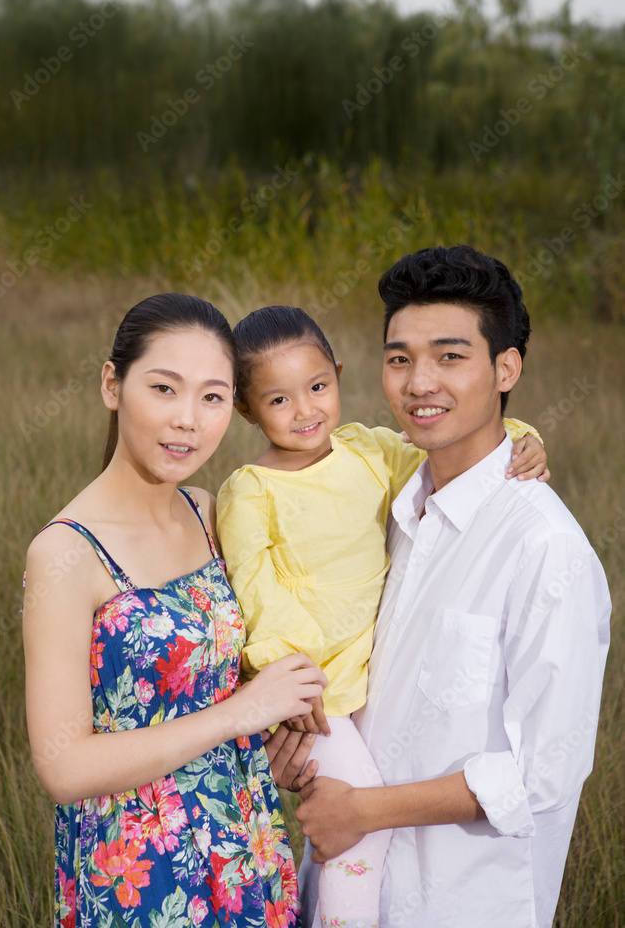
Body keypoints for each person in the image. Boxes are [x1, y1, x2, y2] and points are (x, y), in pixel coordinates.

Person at [277, 246, 612, 928]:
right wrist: (307, 758)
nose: (418, 382)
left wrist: (363, 810)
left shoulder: (545, 549)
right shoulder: (395, 510)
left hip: (461, 903)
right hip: (348, 890)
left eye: (450, 357)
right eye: (398, 358)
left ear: (505, 367)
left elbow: (541, 774)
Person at [215, 304, 549, 928]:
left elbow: (450, 454)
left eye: (318, 387)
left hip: (374, 678)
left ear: (338, 374)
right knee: (357, 826)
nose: (306, 410)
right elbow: (257, 590)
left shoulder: (367, 452)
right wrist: (294, 679)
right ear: (246, 408)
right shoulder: (251, 489)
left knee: (358, 821)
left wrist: (522, 438)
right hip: (315, 694)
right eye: (280, 400)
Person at [22, 293, 329, 928]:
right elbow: (64, 765)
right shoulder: (64, 553)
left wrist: (509, 455)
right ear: (113, 384)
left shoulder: (209, 510)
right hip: (141, 871)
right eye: (164, 388)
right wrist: (241, 714)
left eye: (213, 397)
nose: (187, 419)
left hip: (247, 841)